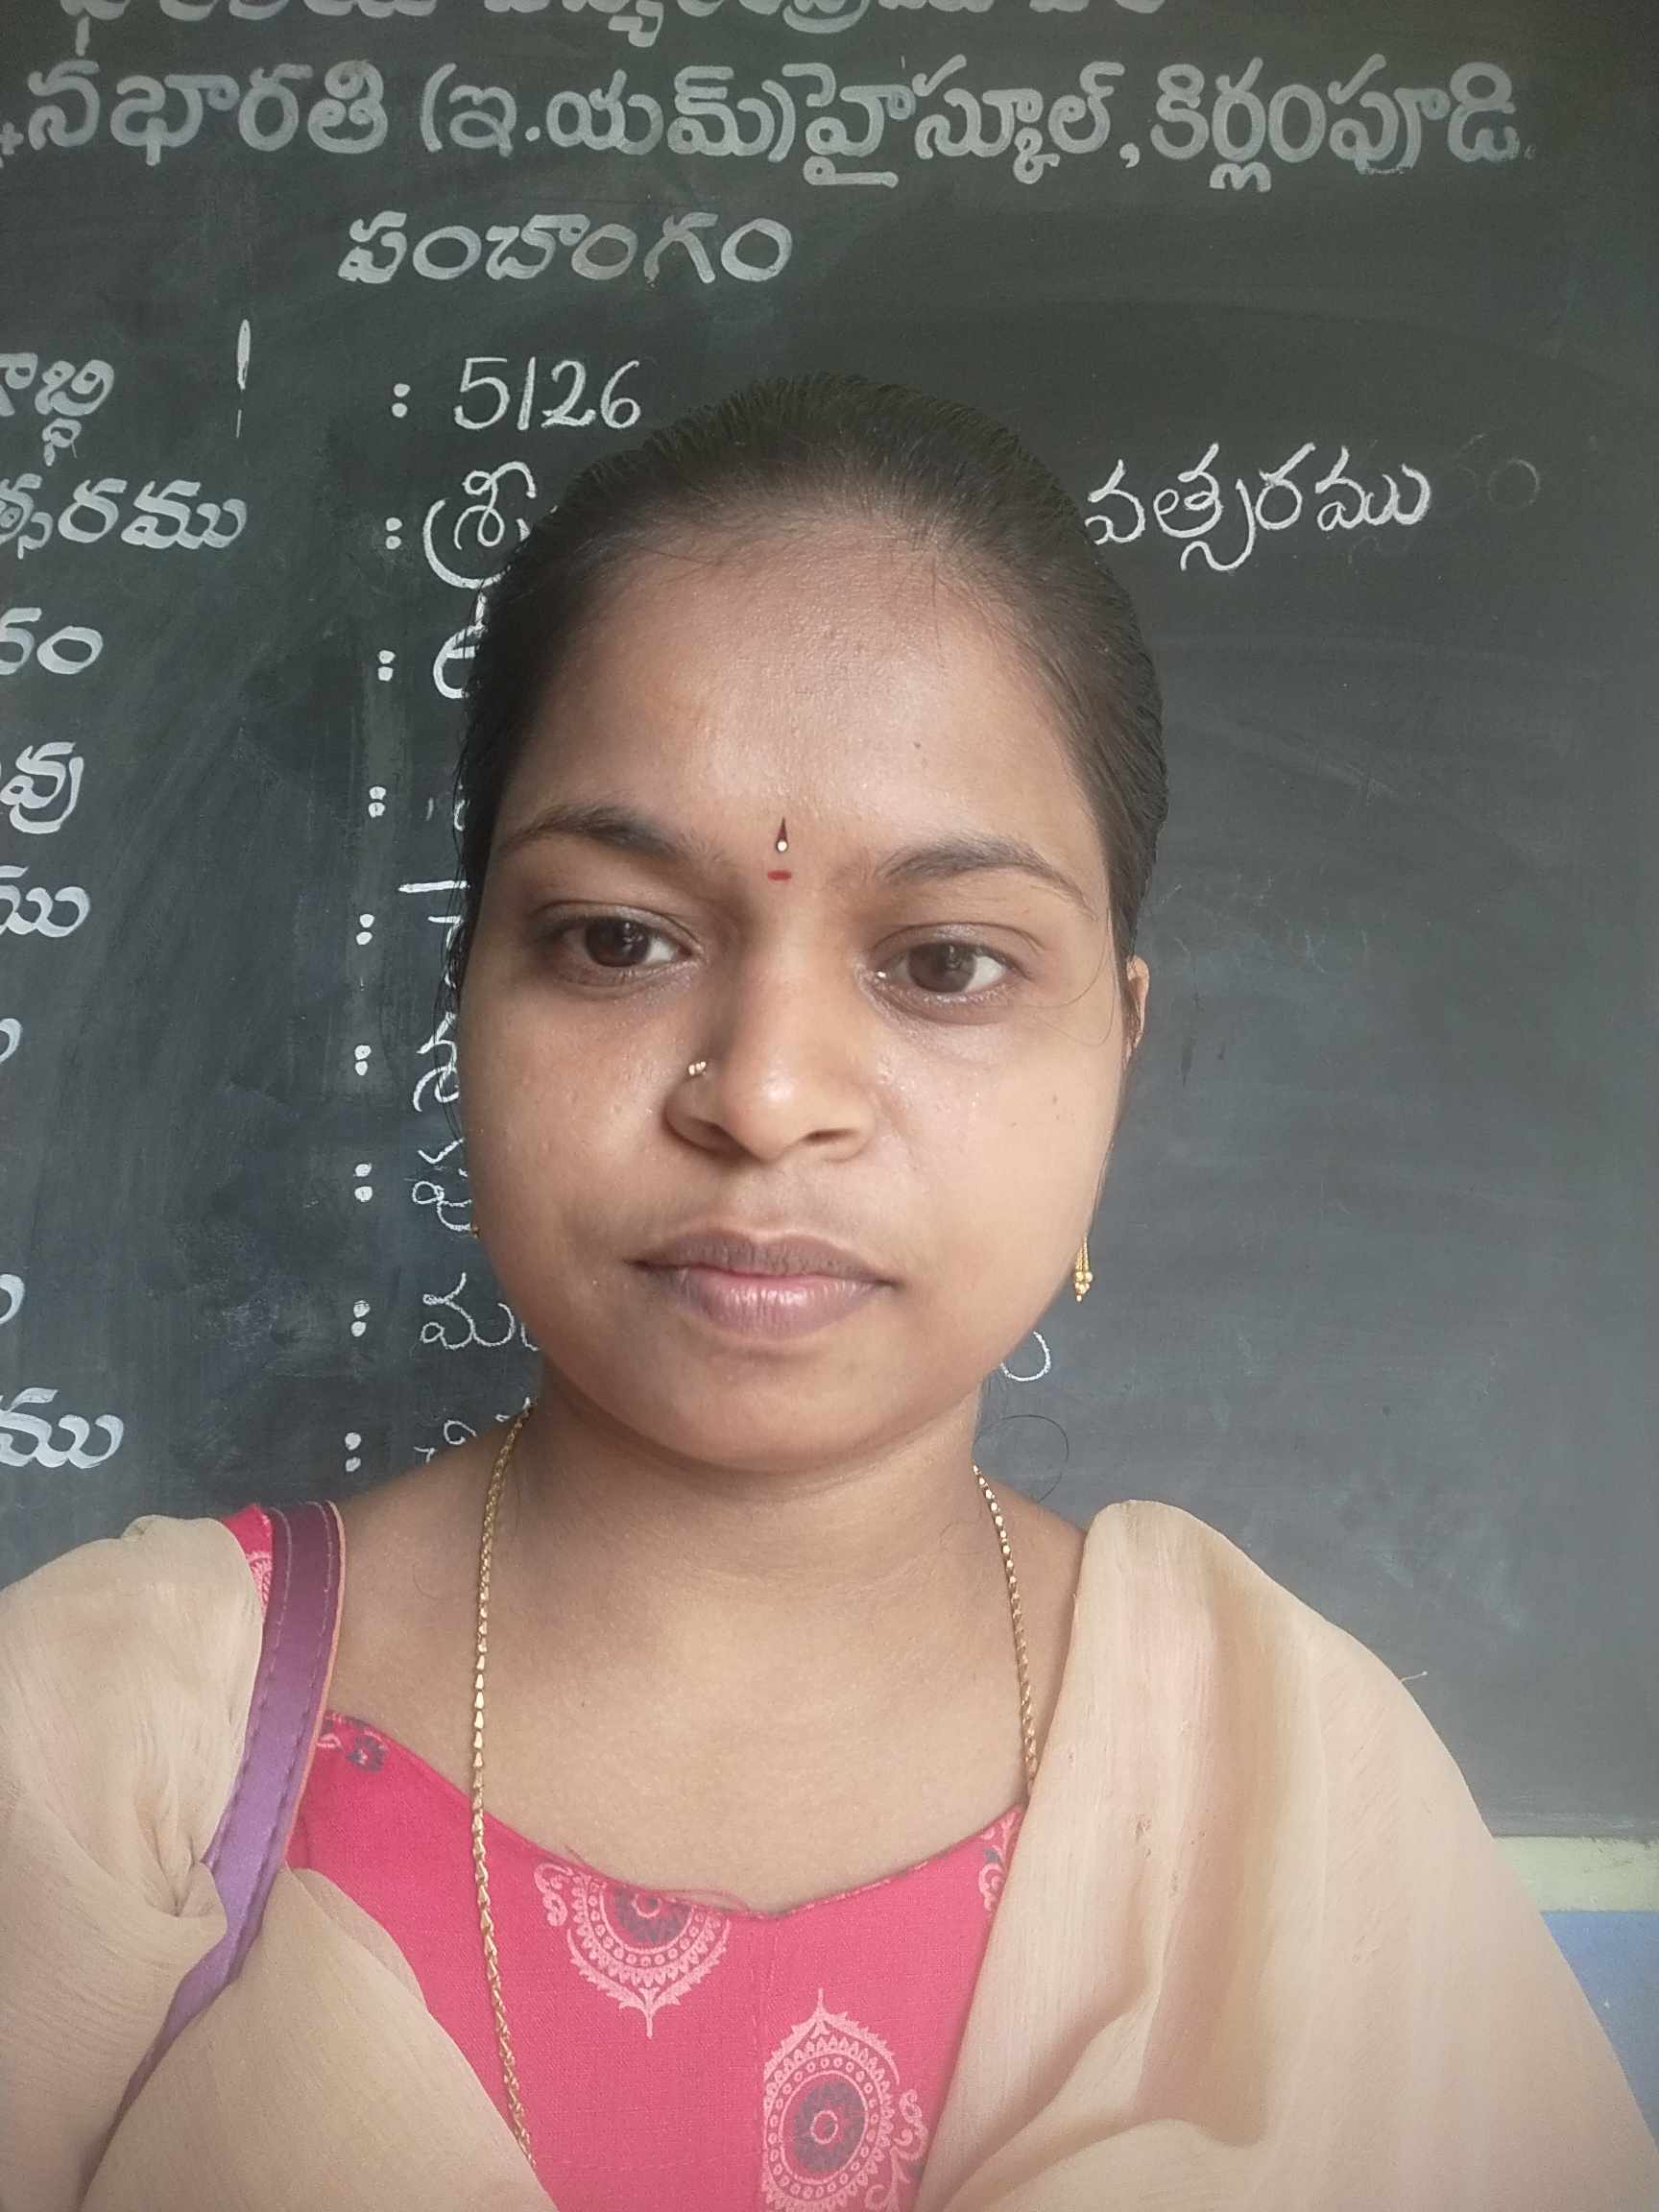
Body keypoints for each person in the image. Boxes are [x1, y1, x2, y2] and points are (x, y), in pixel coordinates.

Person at [1, 372, 1653, 2212]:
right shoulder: (104, 1755)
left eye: (945, 964)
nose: (769, 1094)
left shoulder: (1294, 1795)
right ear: (464, 995)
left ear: (1119, 1046)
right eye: (617, 937)